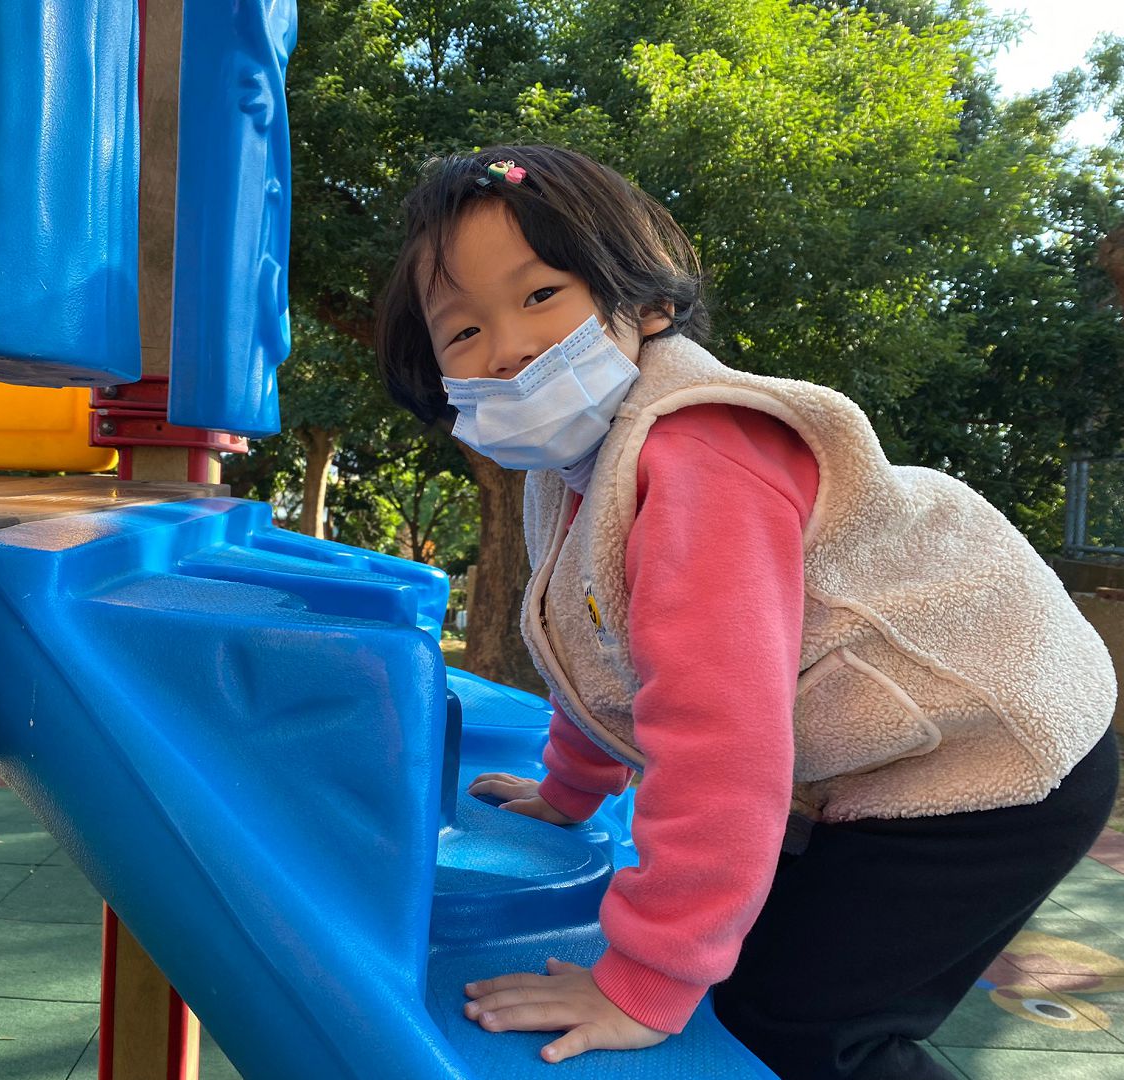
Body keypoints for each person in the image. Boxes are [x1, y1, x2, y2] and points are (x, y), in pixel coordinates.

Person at [373, 144, 1120, 1078]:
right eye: (462, 331)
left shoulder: (699, 462)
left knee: (797, 1022)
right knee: (751, 964)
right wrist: (569, 791)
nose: (509, 346)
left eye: (539, 295)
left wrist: (638, 983)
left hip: (991, 760)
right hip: (878, 754)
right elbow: (596, 644)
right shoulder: (572, 468)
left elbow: (720, 737)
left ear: (644, 305)